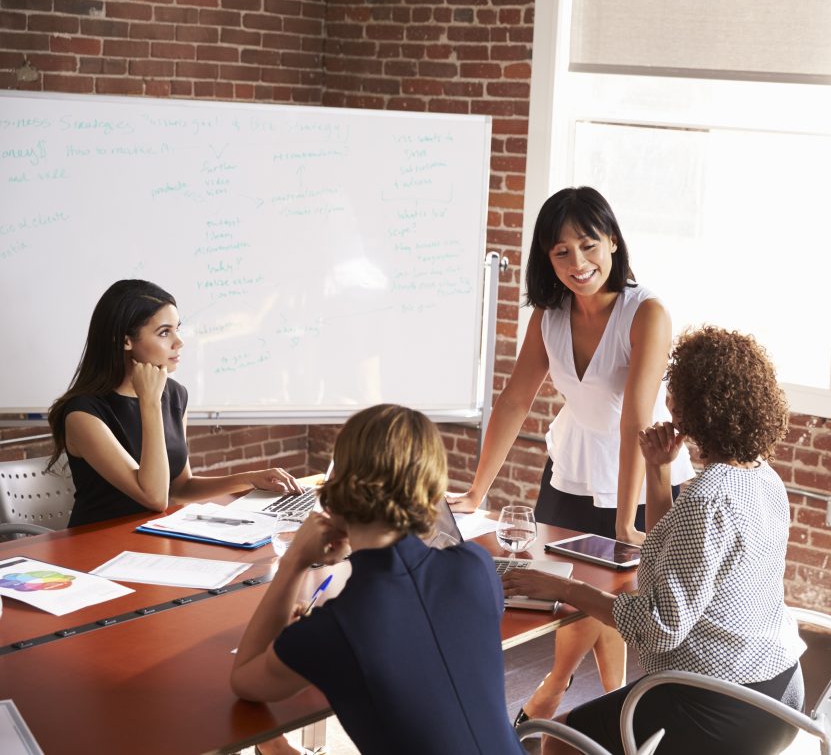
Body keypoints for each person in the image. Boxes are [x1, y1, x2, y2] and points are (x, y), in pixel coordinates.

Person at [448, 187, 694, 723]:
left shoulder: (646, 313)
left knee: (612, 592)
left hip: (641, 471)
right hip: (575, 467)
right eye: (561, 252)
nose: (578, 263)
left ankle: (560, 688)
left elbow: (636, 419)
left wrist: (628, 522)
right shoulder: (548, 317)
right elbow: (515, 400)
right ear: (546, 257)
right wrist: (475, 493)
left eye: (588, 245)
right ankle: (613, 702)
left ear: (612, 241)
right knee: (573, 591)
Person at [503, 326, 806, 755]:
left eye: (674, 391)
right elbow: (672, 555)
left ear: (700, 408)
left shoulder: (707, 500)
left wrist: (563, 589)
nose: (667, 400)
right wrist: (658, 470)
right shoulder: (762, 477)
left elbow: (658, 627)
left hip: (719, 707)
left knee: (558, 740)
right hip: (782, 692)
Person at [230, 404, 525, 755]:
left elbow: (244, 680)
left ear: (336, 493)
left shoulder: (338, 627)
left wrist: (295, 560)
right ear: (433, 495)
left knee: (272, 747)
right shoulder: (476, 566)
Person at [46, 279, 299, 528]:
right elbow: (155, 497)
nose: (179, 342)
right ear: (126, 341)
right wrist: (150, 402)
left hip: (153, 539)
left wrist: (251, 479)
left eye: (177, 329)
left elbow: (179, 488)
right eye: (164, 332)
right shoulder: (83, 414)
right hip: (93, 548)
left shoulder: (175, 395)